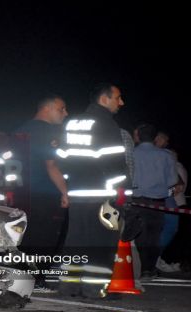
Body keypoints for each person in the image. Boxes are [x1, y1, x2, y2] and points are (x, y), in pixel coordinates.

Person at [57, 83, 129, 298]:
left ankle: (69, 286)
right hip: (102, 195)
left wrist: (71, 182)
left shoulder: (72, 122)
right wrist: (121, 193)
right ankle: (94, 287)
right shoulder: (106, 123)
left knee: (76, 241)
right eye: (118, 97)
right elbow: (114, 161)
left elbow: (61, 157)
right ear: (104, 99)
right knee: (101, 243)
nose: (121, 102)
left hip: (78, 193)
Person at [15, 95, 69, 288]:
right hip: (43, 193)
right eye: (61, 109)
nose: (65, 113)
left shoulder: (20, 130)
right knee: (44, 237)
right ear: (48, 108)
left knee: (23, 236)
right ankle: (37, 279)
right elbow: (51, 165)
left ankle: (22, 278)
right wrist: (64, 191)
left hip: (20, 192)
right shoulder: (48, 132)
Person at [132, 124, 178, 278]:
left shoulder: (132, 153)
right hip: (158, 201)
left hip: (137, 200)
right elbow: (172, 181)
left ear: (138, 135)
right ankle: (148, 269)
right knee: (154, 235)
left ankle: (139, 268)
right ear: (154, 138)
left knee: (139, 234)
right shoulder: (166, 155)